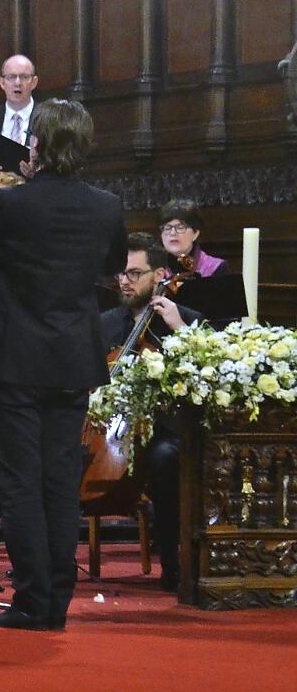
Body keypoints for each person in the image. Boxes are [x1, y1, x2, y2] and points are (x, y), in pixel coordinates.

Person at [0, 98, 125, 631]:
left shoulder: (14, 205)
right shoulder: (107, 206)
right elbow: (109, 267)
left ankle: (34, 601)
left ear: (35, 145)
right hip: (69, 360)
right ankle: (56, 597)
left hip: (12, 359)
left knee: (19, 481)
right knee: (60, 480)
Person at [99, 232, 197, 590]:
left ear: (159, 275)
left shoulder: (185, 318)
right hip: (111, 430)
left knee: (165, 458)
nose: (124, 281)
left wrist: (179, 330)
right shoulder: (106, 322)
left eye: (134, 274)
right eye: (122, 274)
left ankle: (172, 563)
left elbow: (202, 375)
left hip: (163, 429)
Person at [157, 200, 226, 277]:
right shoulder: (154, 269)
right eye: (167, 228)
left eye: (180, 227)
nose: (173, 233)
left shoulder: (215, 268)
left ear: (195, 233)